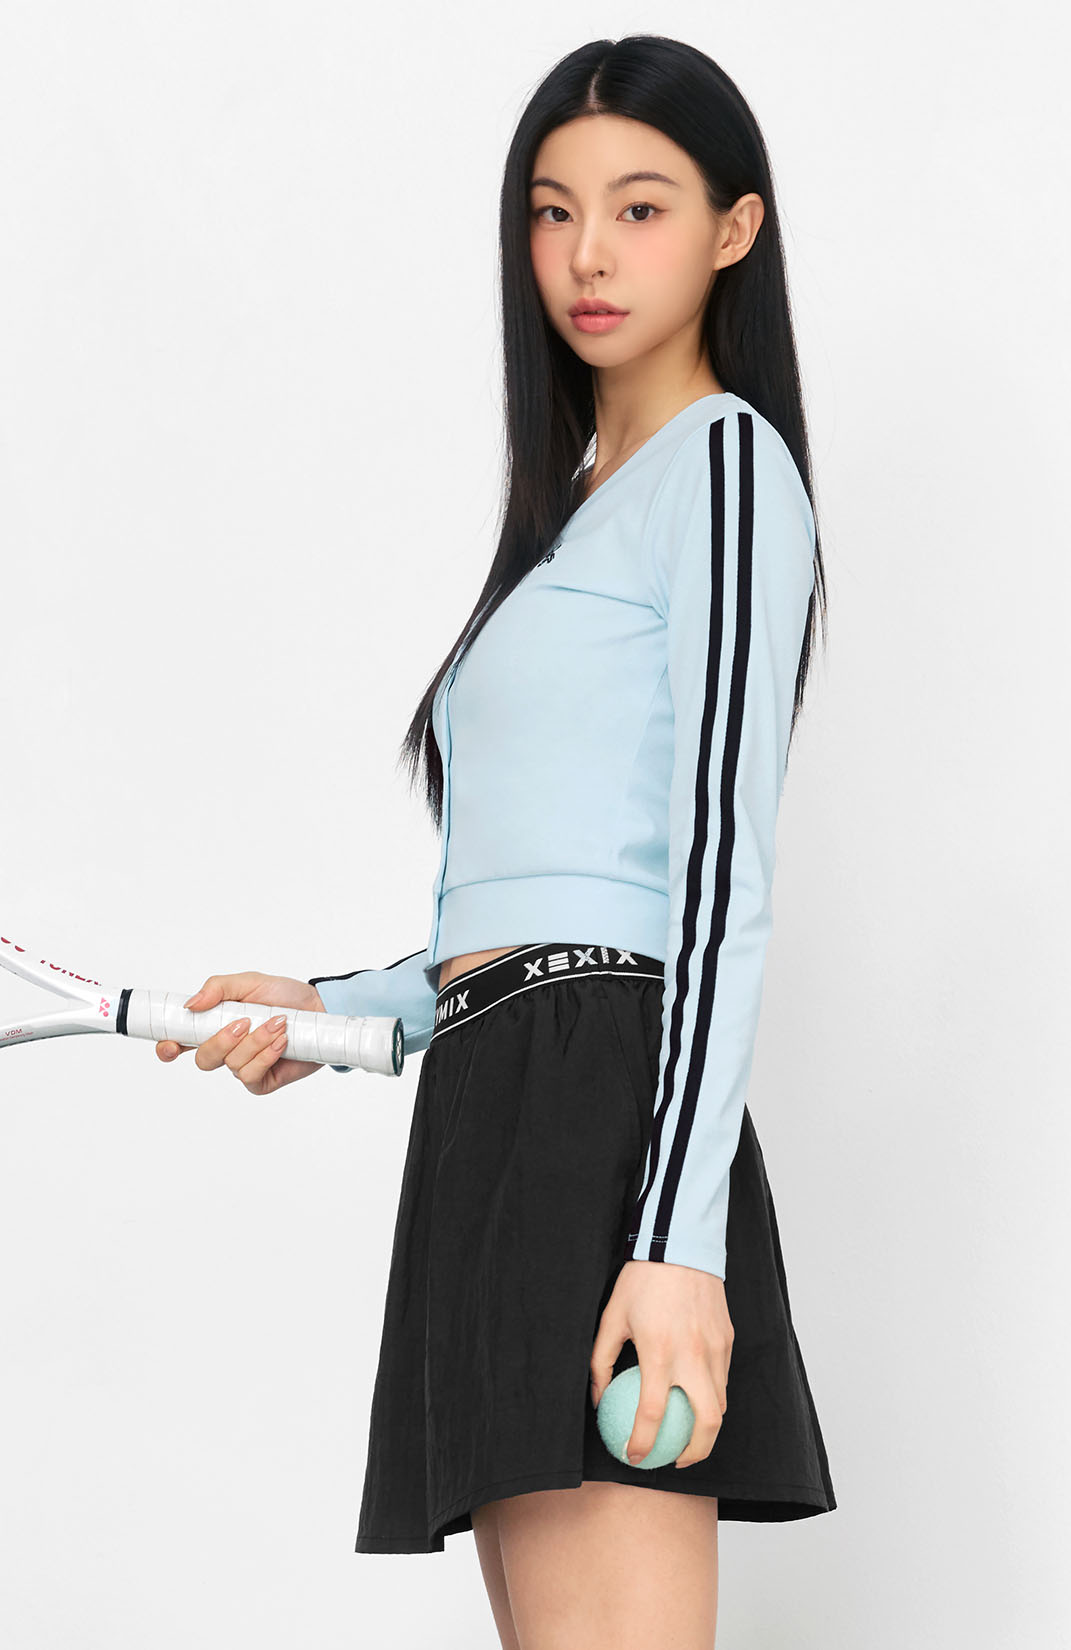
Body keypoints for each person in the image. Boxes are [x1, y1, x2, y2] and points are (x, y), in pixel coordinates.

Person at [157, 34, 836, 1650]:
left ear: (734, 229)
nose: (588, 254)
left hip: (608, 1116)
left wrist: (674, 1244)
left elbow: (715, 875)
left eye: (640, 208)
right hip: (495, 1101)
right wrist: (336, 1010)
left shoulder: (727, 470)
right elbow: (546, 889)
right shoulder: (573, 511)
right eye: (552, 210)